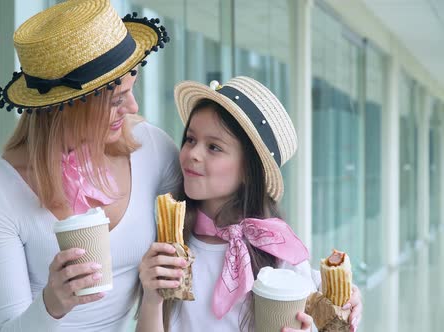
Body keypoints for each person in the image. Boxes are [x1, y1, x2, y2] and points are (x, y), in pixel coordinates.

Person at [0, 0, 180, 331]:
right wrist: (52, 304)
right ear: (65, 107)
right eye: (116, 100)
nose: (133, 107)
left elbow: (207, 234)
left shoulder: (151, 149)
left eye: (132, 88)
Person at [136, 77, 363, 332]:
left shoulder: (278, 252)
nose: (193, 154)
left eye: (214, 147)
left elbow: (328, 317)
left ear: (248, 170)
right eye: (190, 139)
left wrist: (344, 306)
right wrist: (151, 298)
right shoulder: (168, 245)